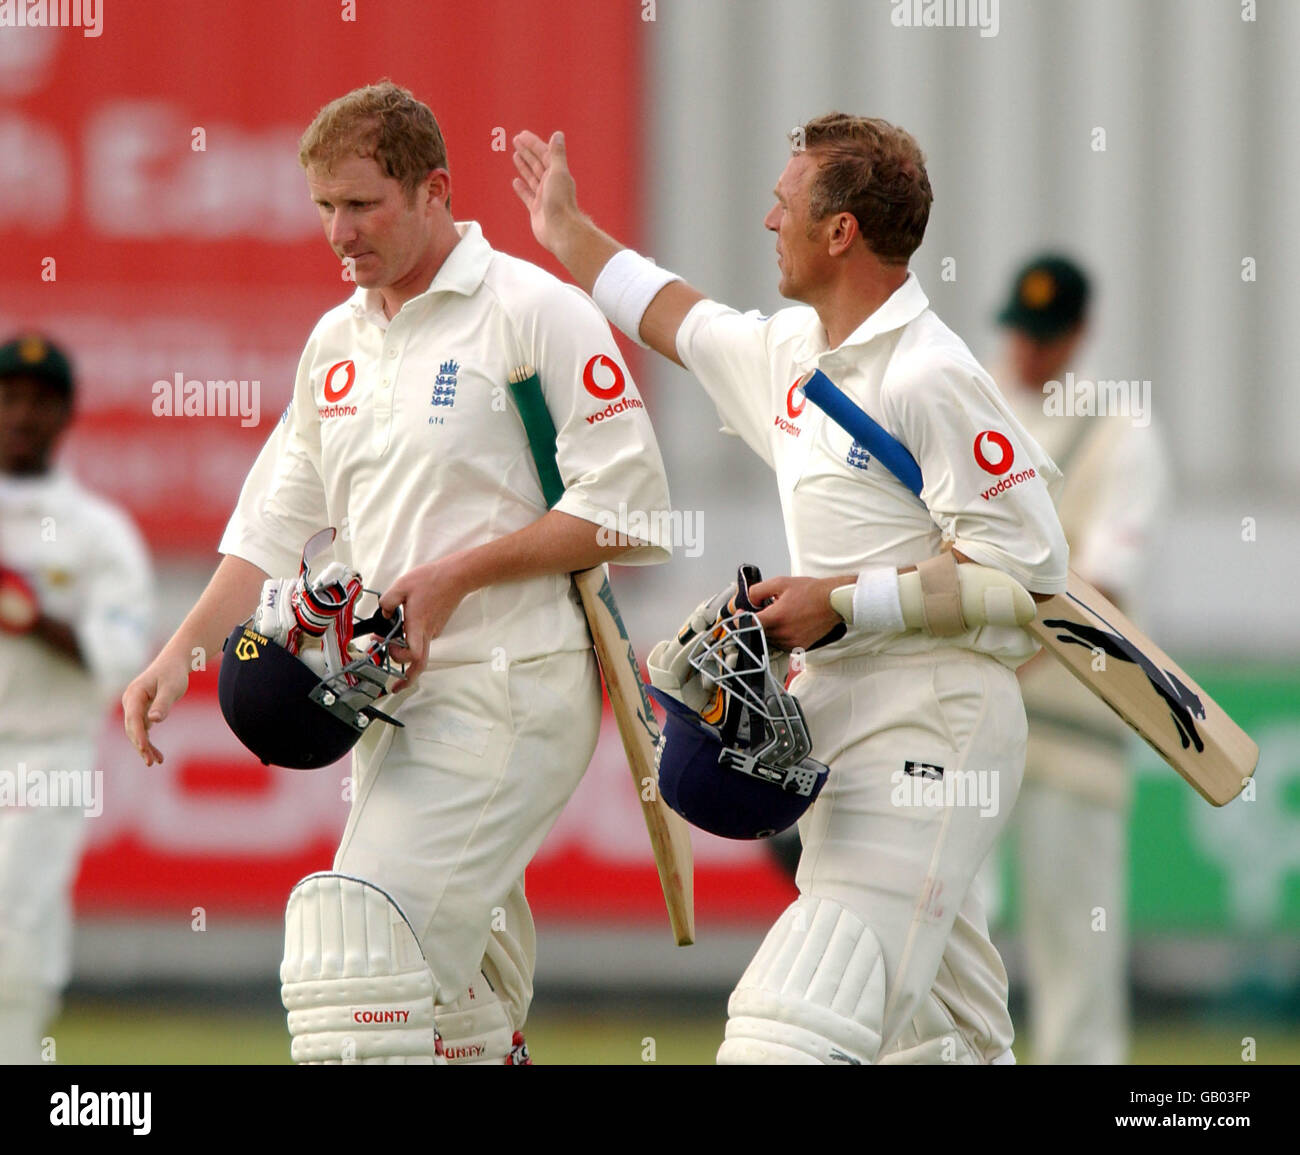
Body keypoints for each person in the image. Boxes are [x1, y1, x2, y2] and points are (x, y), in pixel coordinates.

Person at [122, 81, 672, 1065]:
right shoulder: (337, 340)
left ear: (434, 191)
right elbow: (273, 523)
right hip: (382, 705)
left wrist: (457, 575)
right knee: (441, 1004)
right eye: (324, 207)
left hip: (510, 689)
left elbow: (629, 510)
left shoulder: (531, 311)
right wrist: (180, 653)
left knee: (355, 965)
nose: (340, 231)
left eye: (362, 204)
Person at [512, 114, 1069, 1064]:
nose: (770, 219)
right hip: (838, 714)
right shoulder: (794, 356)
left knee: (794, 1028)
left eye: (786, 202)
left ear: (841, 229)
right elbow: (678, 317)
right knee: (944, 1041)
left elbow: (1028, 568)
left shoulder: (930, 375)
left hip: (937, 718)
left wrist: (841, 601)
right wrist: (569, 234)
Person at [983, 254, 1169, 1064]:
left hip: (1071, 724)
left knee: (1076, 959)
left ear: (1080, 336)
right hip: (967, 721)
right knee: (949, 924)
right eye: (1022, 332)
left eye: (1047, 336)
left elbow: (1107, 589)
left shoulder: (1119, 429)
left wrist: (996, 647)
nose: (1030, 351)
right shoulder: (968, 400)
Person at [0, 334, 154, 1063]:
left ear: (65, 414)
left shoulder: (98, 533)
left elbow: (119, 658)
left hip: (42, 754)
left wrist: (27, 611)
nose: (21, 414)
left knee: (13, 929)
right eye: (9, 397)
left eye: (38, 401)